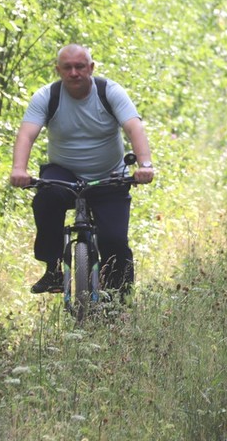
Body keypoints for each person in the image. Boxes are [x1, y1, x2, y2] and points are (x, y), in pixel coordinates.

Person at [9, 44, 155, 296]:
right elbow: (26, 134)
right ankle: (53, 269)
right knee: (45, 199)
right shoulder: (47, 96)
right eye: (67, 67)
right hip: (64, 173)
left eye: (80, 66)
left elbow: (134, 127)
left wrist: (145, 165)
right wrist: (19, 169)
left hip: (109, 175)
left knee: (114, 241)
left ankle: (118, 300)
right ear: (58, 70)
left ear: (91, 68)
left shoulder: (109, 92)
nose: (74, 72)